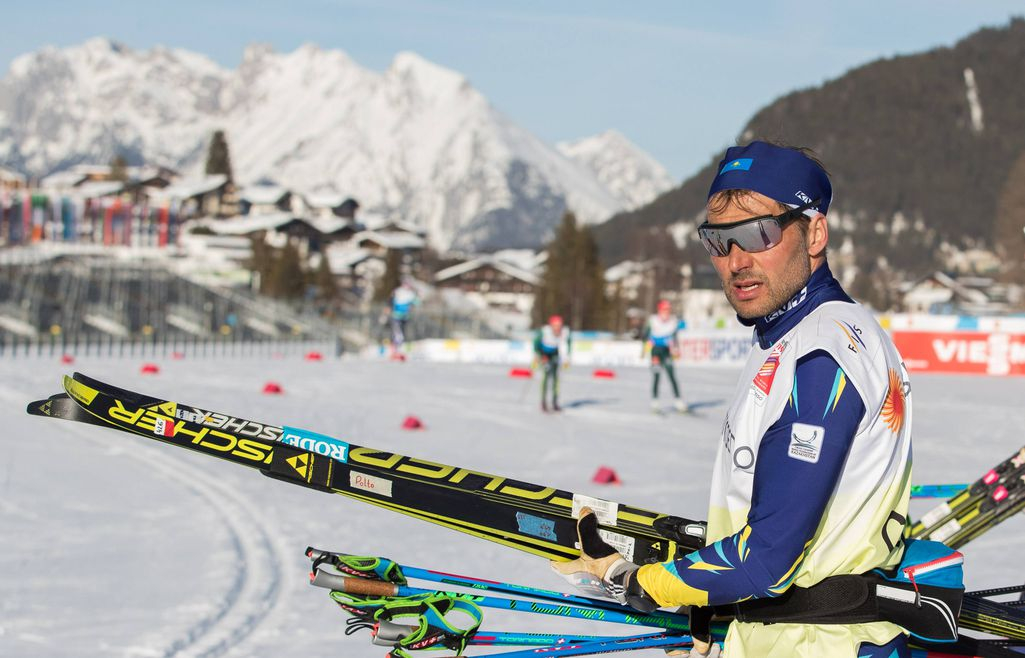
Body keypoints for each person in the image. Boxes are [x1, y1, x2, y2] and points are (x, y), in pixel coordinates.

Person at [553, 142, 915, 658]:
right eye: (718, 241)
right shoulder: (788, 334)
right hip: (787, 634)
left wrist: (635, 580)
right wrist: (721, 607)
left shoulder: (823, 353)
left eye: (759, 233)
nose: (735, 261)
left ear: (814, 232)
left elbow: (767, 558)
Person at [642, 300, 687, 413]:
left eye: (668, 310)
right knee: (656, 376)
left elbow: (675, 337)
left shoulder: (673, 322)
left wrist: (676, 349)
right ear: (659, 310)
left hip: (667, 352)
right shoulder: (653, 320)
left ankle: (679, 402)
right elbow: (644, 335)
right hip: (656, 352)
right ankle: (655, 403)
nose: (666, 312)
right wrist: (646, 344)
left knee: (672, 376)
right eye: (664, 310)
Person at [533, 314, 571, 412]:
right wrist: (539, 355)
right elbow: (536, 344)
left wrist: (566, 358)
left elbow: (568, 344)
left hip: (555, 354)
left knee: (556, 379)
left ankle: (554, 402)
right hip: (544, 354)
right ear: (551, 325)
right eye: (555, 325)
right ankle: (543, 402)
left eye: (559, 325)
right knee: (545, 377)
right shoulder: (544, 332)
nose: (557, 328)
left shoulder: (565, 332)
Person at [388, 279, 418, 357]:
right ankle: (395, 350)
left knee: (402, 333)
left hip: (405, 316)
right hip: (396, 316)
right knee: (398, 333)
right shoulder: (398, 291)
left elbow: (417, 302)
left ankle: (400, 350)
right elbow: (391, 301)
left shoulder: (410, 293)